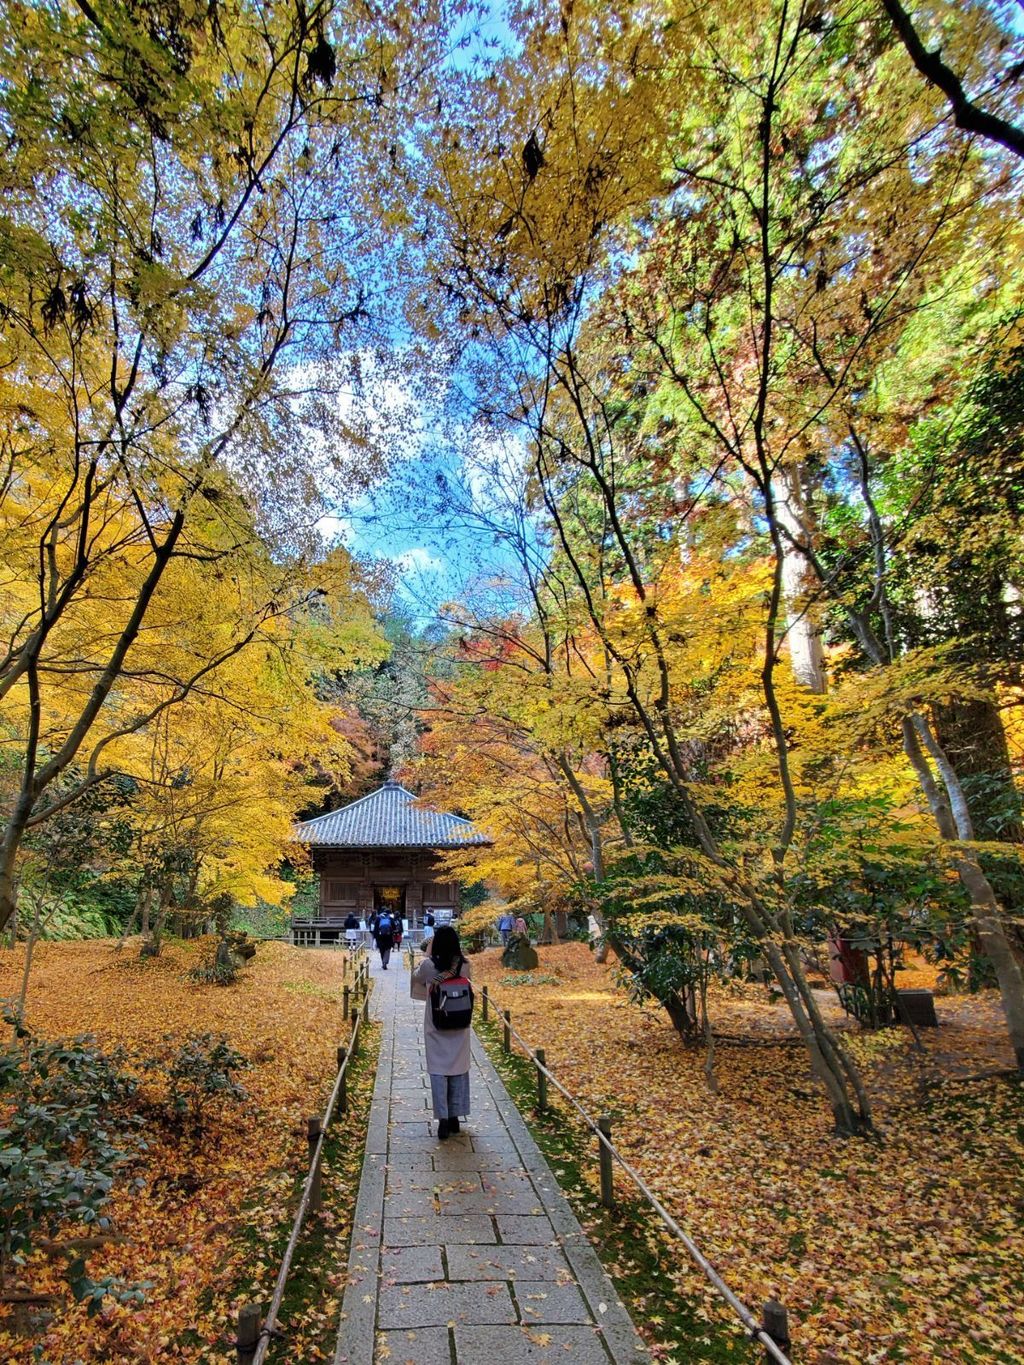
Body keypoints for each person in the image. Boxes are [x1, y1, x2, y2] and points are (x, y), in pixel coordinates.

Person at [410, 924, 472, 1140]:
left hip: (436, 1023)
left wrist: (428, 953)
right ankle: (456, 1116)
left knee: (438, 1071)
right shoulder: (464, 965)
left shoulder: (428, 966)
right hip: (460, 1022)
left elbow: (417, 977)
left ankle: (443, 1120)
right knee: (458, 1070)